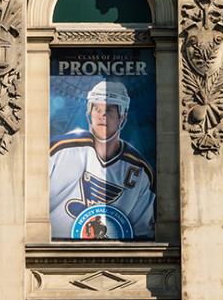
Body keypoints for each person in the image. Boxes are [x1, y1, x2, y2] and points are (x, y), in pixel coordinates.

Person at [49, 79, 155, 240]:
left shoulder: (140, 169)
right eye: (96, 109)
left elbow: (142, 232)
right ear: (88, 115)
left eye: (110, 110)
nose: (102, 115)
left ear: (122, 118)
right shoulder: (58, 151)